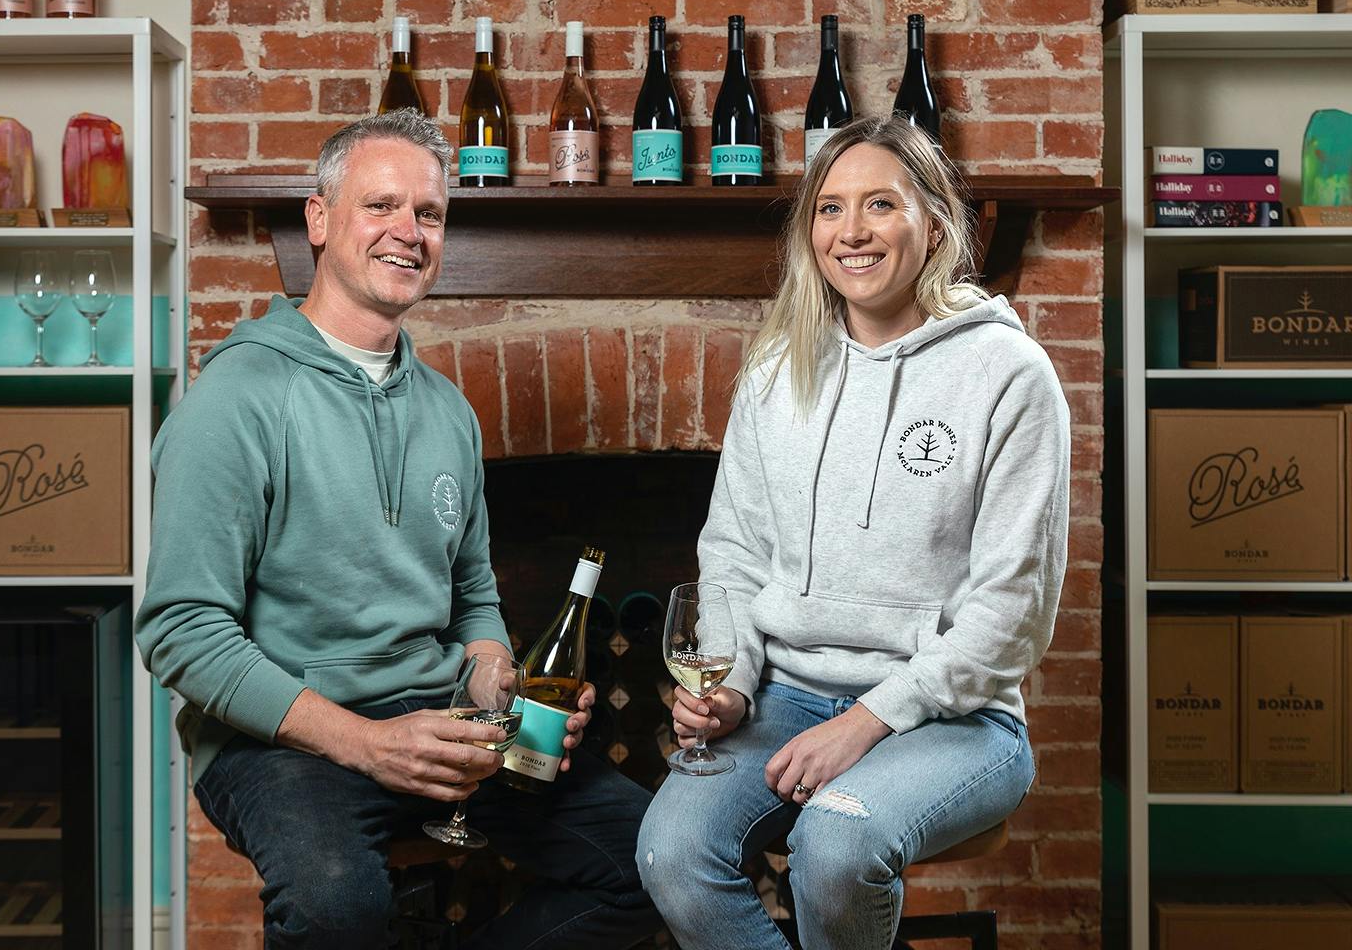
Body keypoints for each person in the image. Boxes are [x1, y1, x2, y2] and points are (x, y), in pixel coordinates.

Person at [136, 110, 658, 950]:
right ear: (319, 219)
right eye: (381, 206)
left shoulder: (447, 411)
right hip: (285, 738)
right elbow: (181, 633)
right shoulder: (236, 400)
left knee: (662, 859)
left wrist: (499, 687)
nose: (407, 233)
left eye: (429, 214)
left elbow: (474, 597)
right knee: (337, 908)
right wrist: (365, 744)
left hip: (438, 717)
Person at [636, 115, 1070, 950]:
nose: (853, 232)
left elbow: (1010, 611)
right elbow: (731, 555)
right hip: (783, 694)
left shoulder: (1008, 375)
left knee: (835, 847)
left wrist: (869, 719)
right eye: (830, 209)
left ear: (935, 222)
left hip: (955, 716)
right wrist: (733, 683)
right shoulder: (777, 370)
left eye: (880, 204)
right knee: (672, 851)